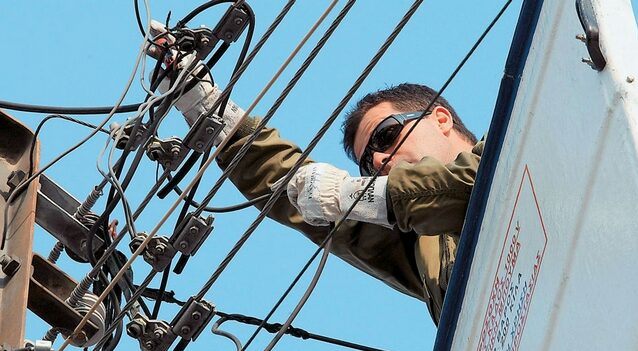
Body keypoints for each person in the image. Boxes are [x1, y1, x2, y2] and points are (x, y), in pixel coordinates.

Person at [156, 38, 483, 324]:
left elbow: (468, 187)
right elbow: (306, 199)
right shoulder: (424, 249)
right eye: (368, 166)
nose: (380, 161)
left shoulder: (519, 141)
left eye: (386, 135)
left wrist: (350, 193)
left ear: (440, 118)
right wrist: (207, 108)